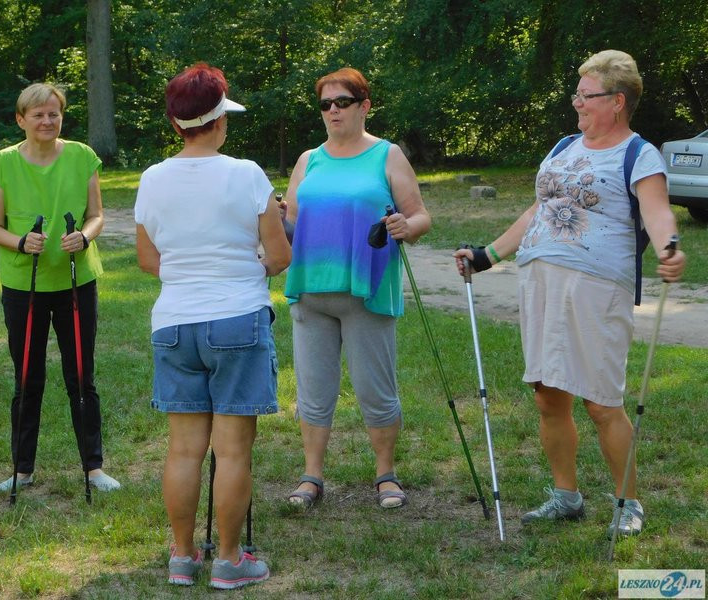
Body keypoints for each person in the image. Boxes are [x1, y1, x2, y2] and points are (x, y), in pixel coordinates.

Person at [453, 50, 686, 537]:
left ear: (617, 101)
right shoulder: (564, 146)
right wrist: (488, 254)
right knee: (547, 395)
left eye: (586, 94)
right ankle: (566, 496)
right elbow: (538, 210)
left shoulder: (638, 154)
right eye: (576, 93)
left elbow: (657, 211)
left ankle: (628, 502)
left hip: (597, 287)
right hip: (539, 279)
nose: (576, 102)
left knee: (601, 401)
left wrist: (669, 245)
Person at [134, 63, 290, 589]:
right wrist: (250, 259)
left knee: (183, 449)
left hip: (175, 322)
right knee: (232, 450)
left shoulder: (152, 178)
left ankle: (182, 556)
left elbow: (148, 260)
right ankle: (228, 559)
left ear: (177, 124)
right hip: (237, 319)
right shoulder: (247, 174)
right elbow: (279, 254)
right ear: (219, 119)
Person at [282, 67, 431, 510]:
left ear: (364, 106)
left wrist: (408, 226)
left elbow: (420, 216)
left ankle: (386, 474)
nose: (332, 111)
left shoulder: (387, 156)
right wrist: (274, 218)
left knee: (375, 388)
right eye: (325, 104)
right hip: (311, 290)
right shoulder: (310, 160)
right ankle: (312, 475)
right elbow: (290, 224)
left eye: (341, 102)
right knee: (313, 389)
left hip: (368, 289)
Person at [0, 83, 120, 495]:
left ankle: (93, 468)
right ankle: (22, 469)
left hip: (76, 282)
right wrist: (21, 242)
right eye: (38, 114)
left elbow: (96, 215)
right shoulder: (3, 163)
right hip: (23, 285)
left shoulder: (81, 156)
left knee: (81, 376)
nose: (47, 121)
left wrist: (86, 235)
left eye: (54, 114)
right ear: (20, 119)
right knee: (28, 378)